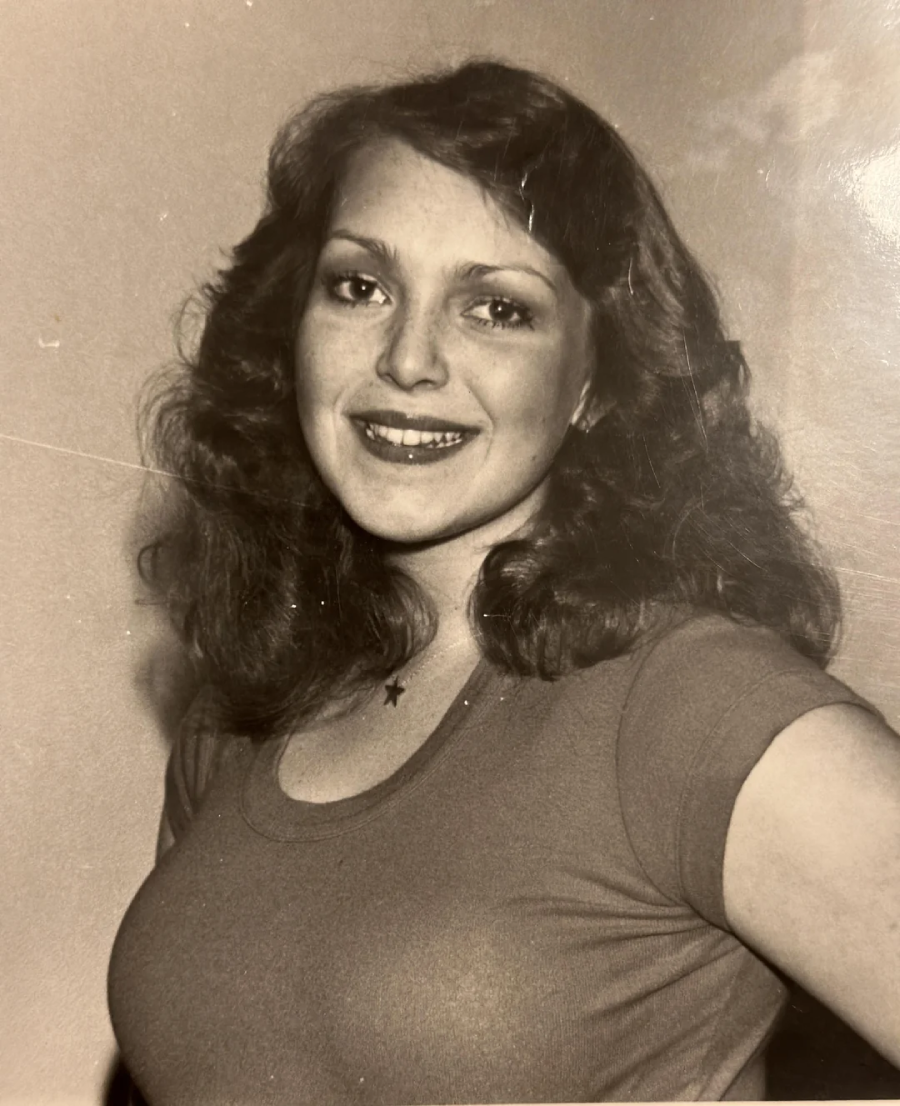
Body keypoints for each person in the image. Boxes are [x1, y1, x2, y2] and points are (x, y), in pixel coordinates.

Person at [108, 60, 900, 1103]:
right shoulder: (244, 709)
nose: (407, 358)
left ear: (597, 378)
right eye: (361, 285)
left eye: (496, 308)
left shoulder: (699, 705)